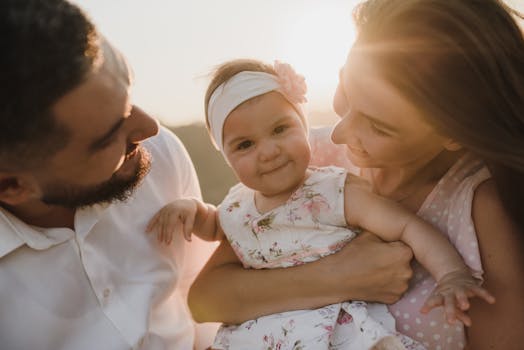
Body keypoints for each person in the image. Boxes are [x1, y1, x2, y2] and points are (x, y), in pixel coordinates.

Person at [187, 0, 524, 349]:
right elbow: (206, 299)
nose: (338, 133)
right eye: (345, 89)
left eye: (377, 126)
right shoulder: (299, 157)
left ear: (453, 133)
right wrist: (338, 277)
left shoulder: (481, 208)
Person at [148, 59, 495, 349]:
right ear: (227, 159)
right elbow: (219, 227)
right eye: (245, 145)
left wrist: (451, 273)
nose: (268, 151)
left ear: (303, 126)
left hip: (333, 331)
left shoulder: (332, 189)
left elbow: (407, 226)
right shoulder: (238, 205)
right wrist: (193, 211)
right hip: (259, 337)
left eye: (280, 129)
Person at [0, 1, 216, 349]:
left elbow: (206, 296)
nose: (149, 127)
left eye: (130, 93)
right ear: (11, 185)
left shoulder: (159, 154)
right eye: (108, 136)